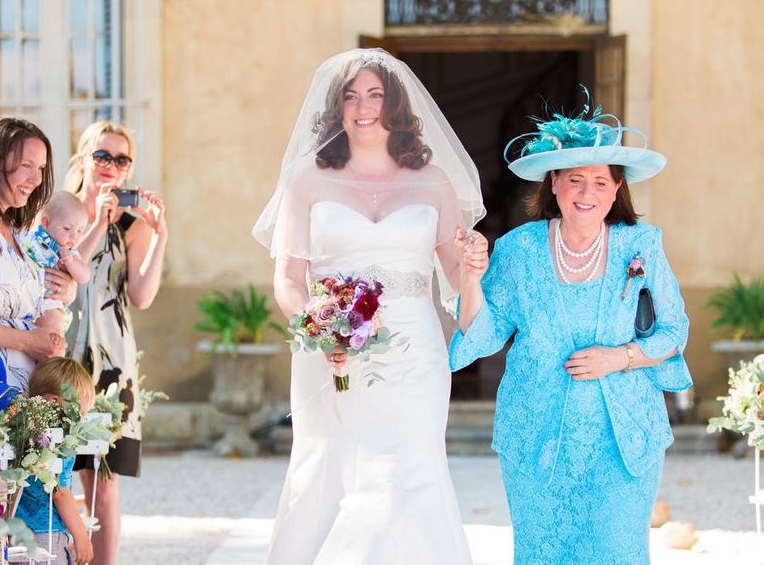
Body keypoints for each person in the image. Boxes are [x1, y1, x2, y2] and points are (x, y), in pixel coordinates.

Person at [253, 48, 484, 565]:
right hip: (330, 350)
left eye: (375, 95)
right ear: (336, 108)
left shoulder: (434, 182)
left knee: (412, 466)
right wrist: (320, 329)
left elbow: (452, 272)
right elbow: (288, 280)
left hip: (416, 350)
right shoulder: (307, 182)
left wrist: (473, 266)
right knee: (327, 468)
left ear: (394, 105)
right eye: (351, 96)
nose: (363, 107)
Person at [451, 96, 693, 564]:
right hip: (536, 434)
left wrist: (619, 357)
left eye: (600, 181)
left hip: (623, 435)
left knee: (617, 550)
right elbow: (480, 333)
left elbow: (673, 330)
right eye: (575, 179)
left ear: (616, 188)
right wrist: (469, 276)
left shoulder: (640, 243)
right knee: (544, 552)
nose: (588, 192)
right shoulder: (519, 249)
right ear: (555, 184)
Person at [65, 121, 168, 565]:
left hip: (111, 364)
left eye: (120, 159)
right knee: (52, 470)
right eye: (102, 156)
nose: (110, 166)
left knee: (103, 481)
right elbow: (71, 268)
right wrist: (95, 220)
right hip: (61, 357)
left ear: (129, 170)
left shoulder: (131, 226)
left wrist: (160, 234)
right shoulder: (58, 213)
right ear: (84, 157)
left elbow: (142, 297)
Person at [0, 118, 71, 390]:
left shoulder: (21, 233)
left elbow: (45, 301)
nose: (36, 178)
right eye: (26, 165)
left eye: (40, 168)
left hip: (25, 399)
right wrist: (29, 341)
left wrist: (65, 290)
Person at [16, 357, 96, 565]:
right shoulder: (58, 444)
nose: (80, 420)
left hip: (15, 532)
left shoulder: (23, 435)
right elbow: (61, 494)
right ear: (55, 402)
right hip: (46, 533)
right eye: (80, 413)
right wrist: (80, 535)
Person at [25, 191, 90, 334]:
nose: (74, 236)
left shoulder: (70, 252)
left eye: (80, 231)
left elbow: (84, 276)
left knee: (51, 325)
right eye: (67, 228)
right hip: (26, 298)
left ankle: (52, 352)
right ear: (46, 223)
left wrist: (71, 263)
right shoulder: (31, 238)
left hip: (50, 302)